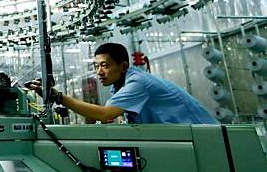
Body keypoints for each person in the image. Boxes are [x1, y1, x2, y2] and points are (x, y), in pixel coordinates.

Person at [27, 42, 217, 124]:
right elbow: (110, 117)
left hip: (206, 138)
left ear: (123, 65)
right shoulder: (118, 86)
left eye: (105, 65)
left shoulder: (138, 82)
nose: (99, 72)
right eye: (96, 66)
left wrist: (58, 96)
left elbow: (104, 114)